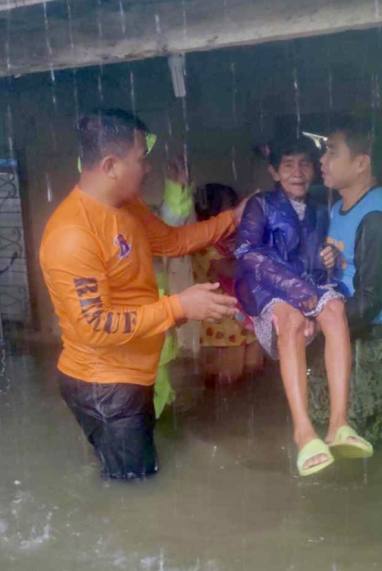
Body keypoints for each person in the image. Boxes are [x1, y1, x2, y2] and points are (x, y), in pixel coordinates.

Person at [39, 109, 245, 480]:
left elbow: (174, 241)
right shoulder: (73, 234)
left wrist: (233, 219)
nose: (147, 168)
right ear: (111, 165)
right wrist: (179, 306)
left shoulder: (127, 206)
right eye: (140, 159)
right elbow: (95, 327)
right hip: (105, 386)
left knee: (135, 476)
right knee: (132, 491)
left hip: (133, 376)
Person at [234, 135, 371, 476]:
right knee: (292, 319)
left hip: (307, 286)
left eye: (305, 164)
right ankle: (303, 432)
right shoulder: (260, 205)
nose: (297, 172)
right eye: (288, 165)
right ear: (274, 172)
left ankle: (339, 423)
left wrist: (331, 257)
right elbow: (248, 253)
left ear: (313, 170)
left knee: (336, 309)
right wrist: (295, 290)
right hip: (268, 290)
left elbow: (316, 261)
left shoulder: (320, 210)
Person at [314, 124, 382, 443]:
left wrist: (315, 321)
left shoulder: (378, 219)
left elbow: (370, 301)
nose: (322, 160)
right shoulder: (338, 210)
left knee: (357, 440)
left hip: (370, 344)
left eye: (332, 151)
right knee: (326, 430)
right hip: (342, 333)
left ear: (361, 163)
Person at [191, 183, 263, 386]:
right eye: (229, 208)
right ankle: (221, 416)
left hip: (246, 317)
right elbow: (229, 270)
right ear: (212, 212)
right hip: (222, 322)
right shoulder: (203, 242)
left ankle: (248, 416)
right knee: (226, 382)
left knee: (253, 375)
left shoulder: (232, 241)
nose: (235, 214)